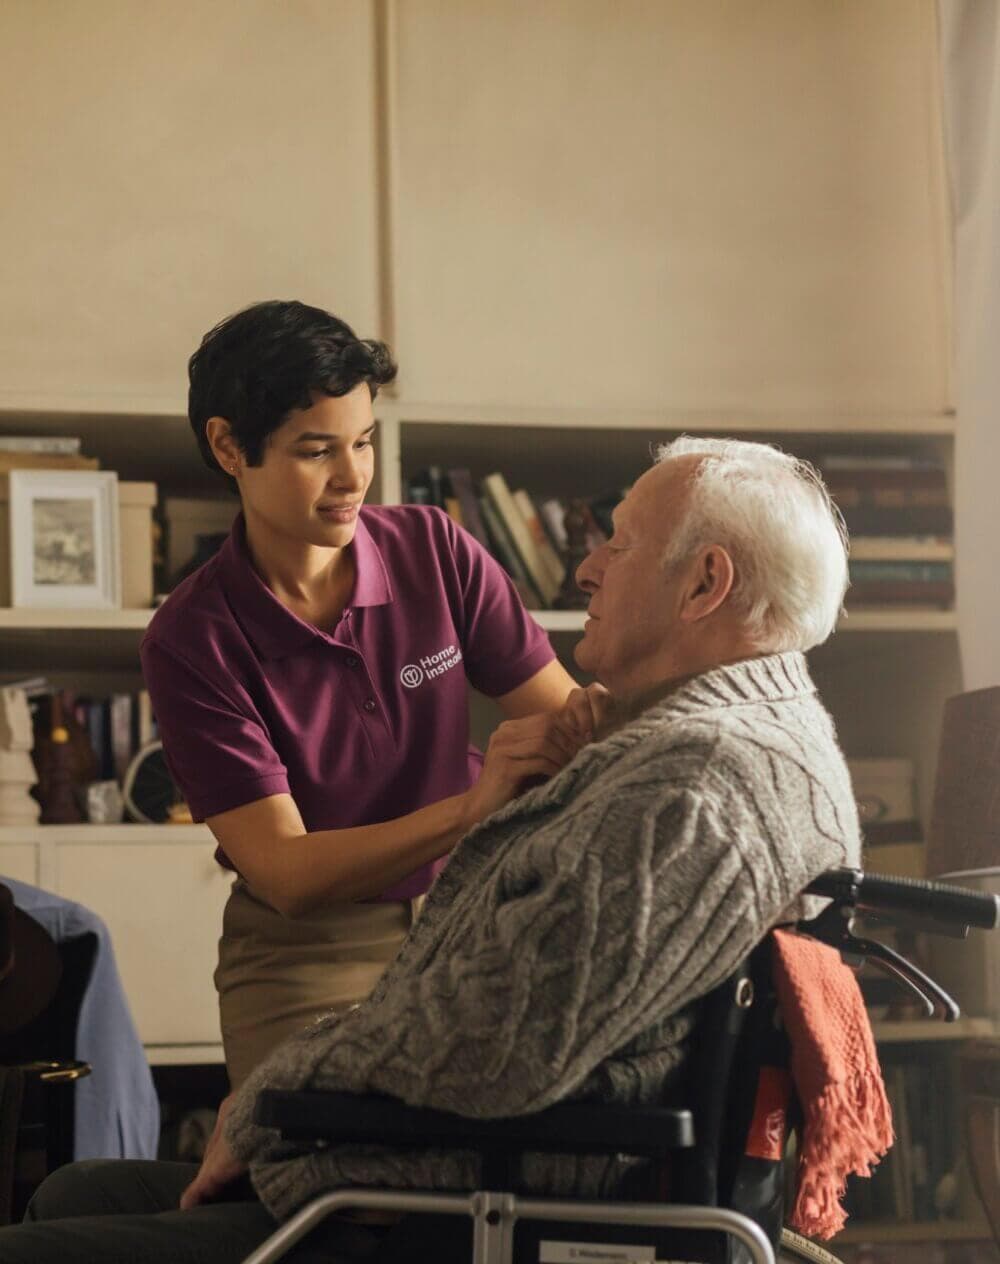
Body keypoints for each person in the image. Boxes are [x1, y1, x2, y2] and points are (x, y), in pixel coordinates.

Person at [1, 436, 862, 1263]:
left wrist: (266, 1097)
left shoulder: (694, 784)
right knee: (75, 1194)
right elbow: (484, 1002)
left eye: (619, 544)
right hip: (469, 1145)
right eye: (314, 448)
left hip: (464, 1199)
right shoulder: (743, 740)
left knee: (49, 1228)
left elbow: (495, 1047)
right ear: (232, 451)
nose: (585, 566)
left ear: (706, 583)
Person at [138, 300, 586, 1089]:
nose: (353, 478)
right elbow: (288, 872)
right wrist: (471, 809)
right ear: (228, 446)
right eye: (317, 451)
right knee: (315, 1185)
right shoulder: (192, 639)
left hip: (478, 910)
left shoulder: (435, 550)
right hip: (309, 952)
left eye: (364, 442)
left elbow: (573, 726)